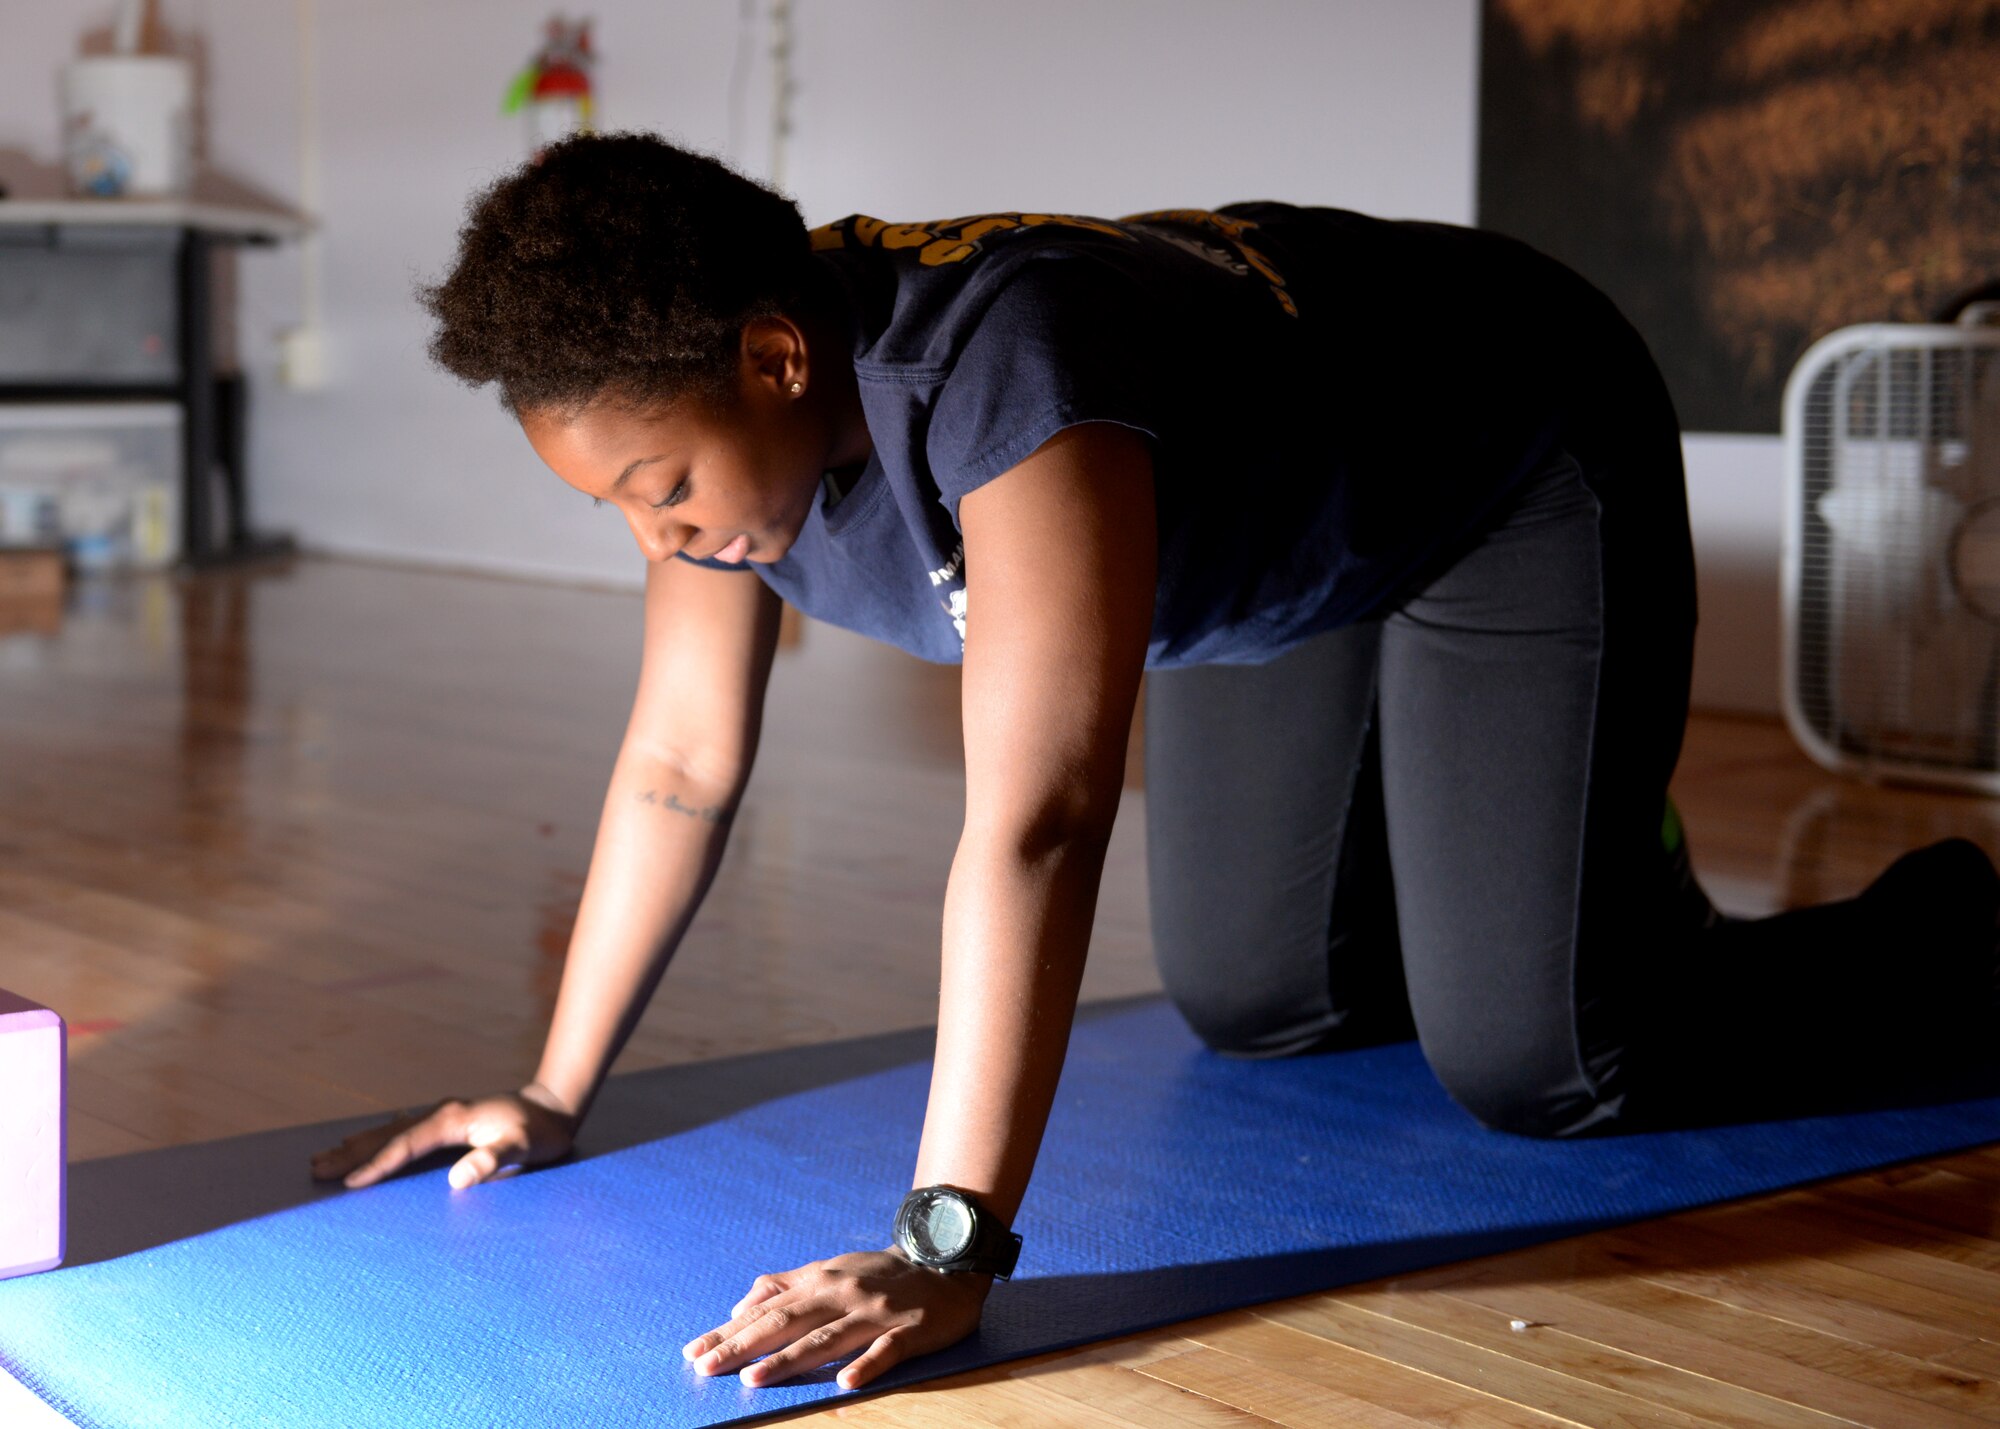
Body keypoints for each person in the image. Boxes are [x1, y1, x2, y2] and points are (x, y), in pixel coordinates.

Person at [308, 132, 2000, 1391]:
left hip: (1501, 455)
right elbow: (680, 763)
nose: (652, 533)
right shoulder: (709, 416)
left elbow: (1039, 816)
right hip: (1277, 555)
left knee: (1554, 1064)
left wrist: (945, 1242)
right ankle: (1518, 880)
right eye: (612, 503)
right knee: (1261, 1002)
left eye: (658, 488)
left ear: (775, 358)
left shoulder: (1004, 372)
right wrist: (550, 1087)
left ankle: (1938, 932)